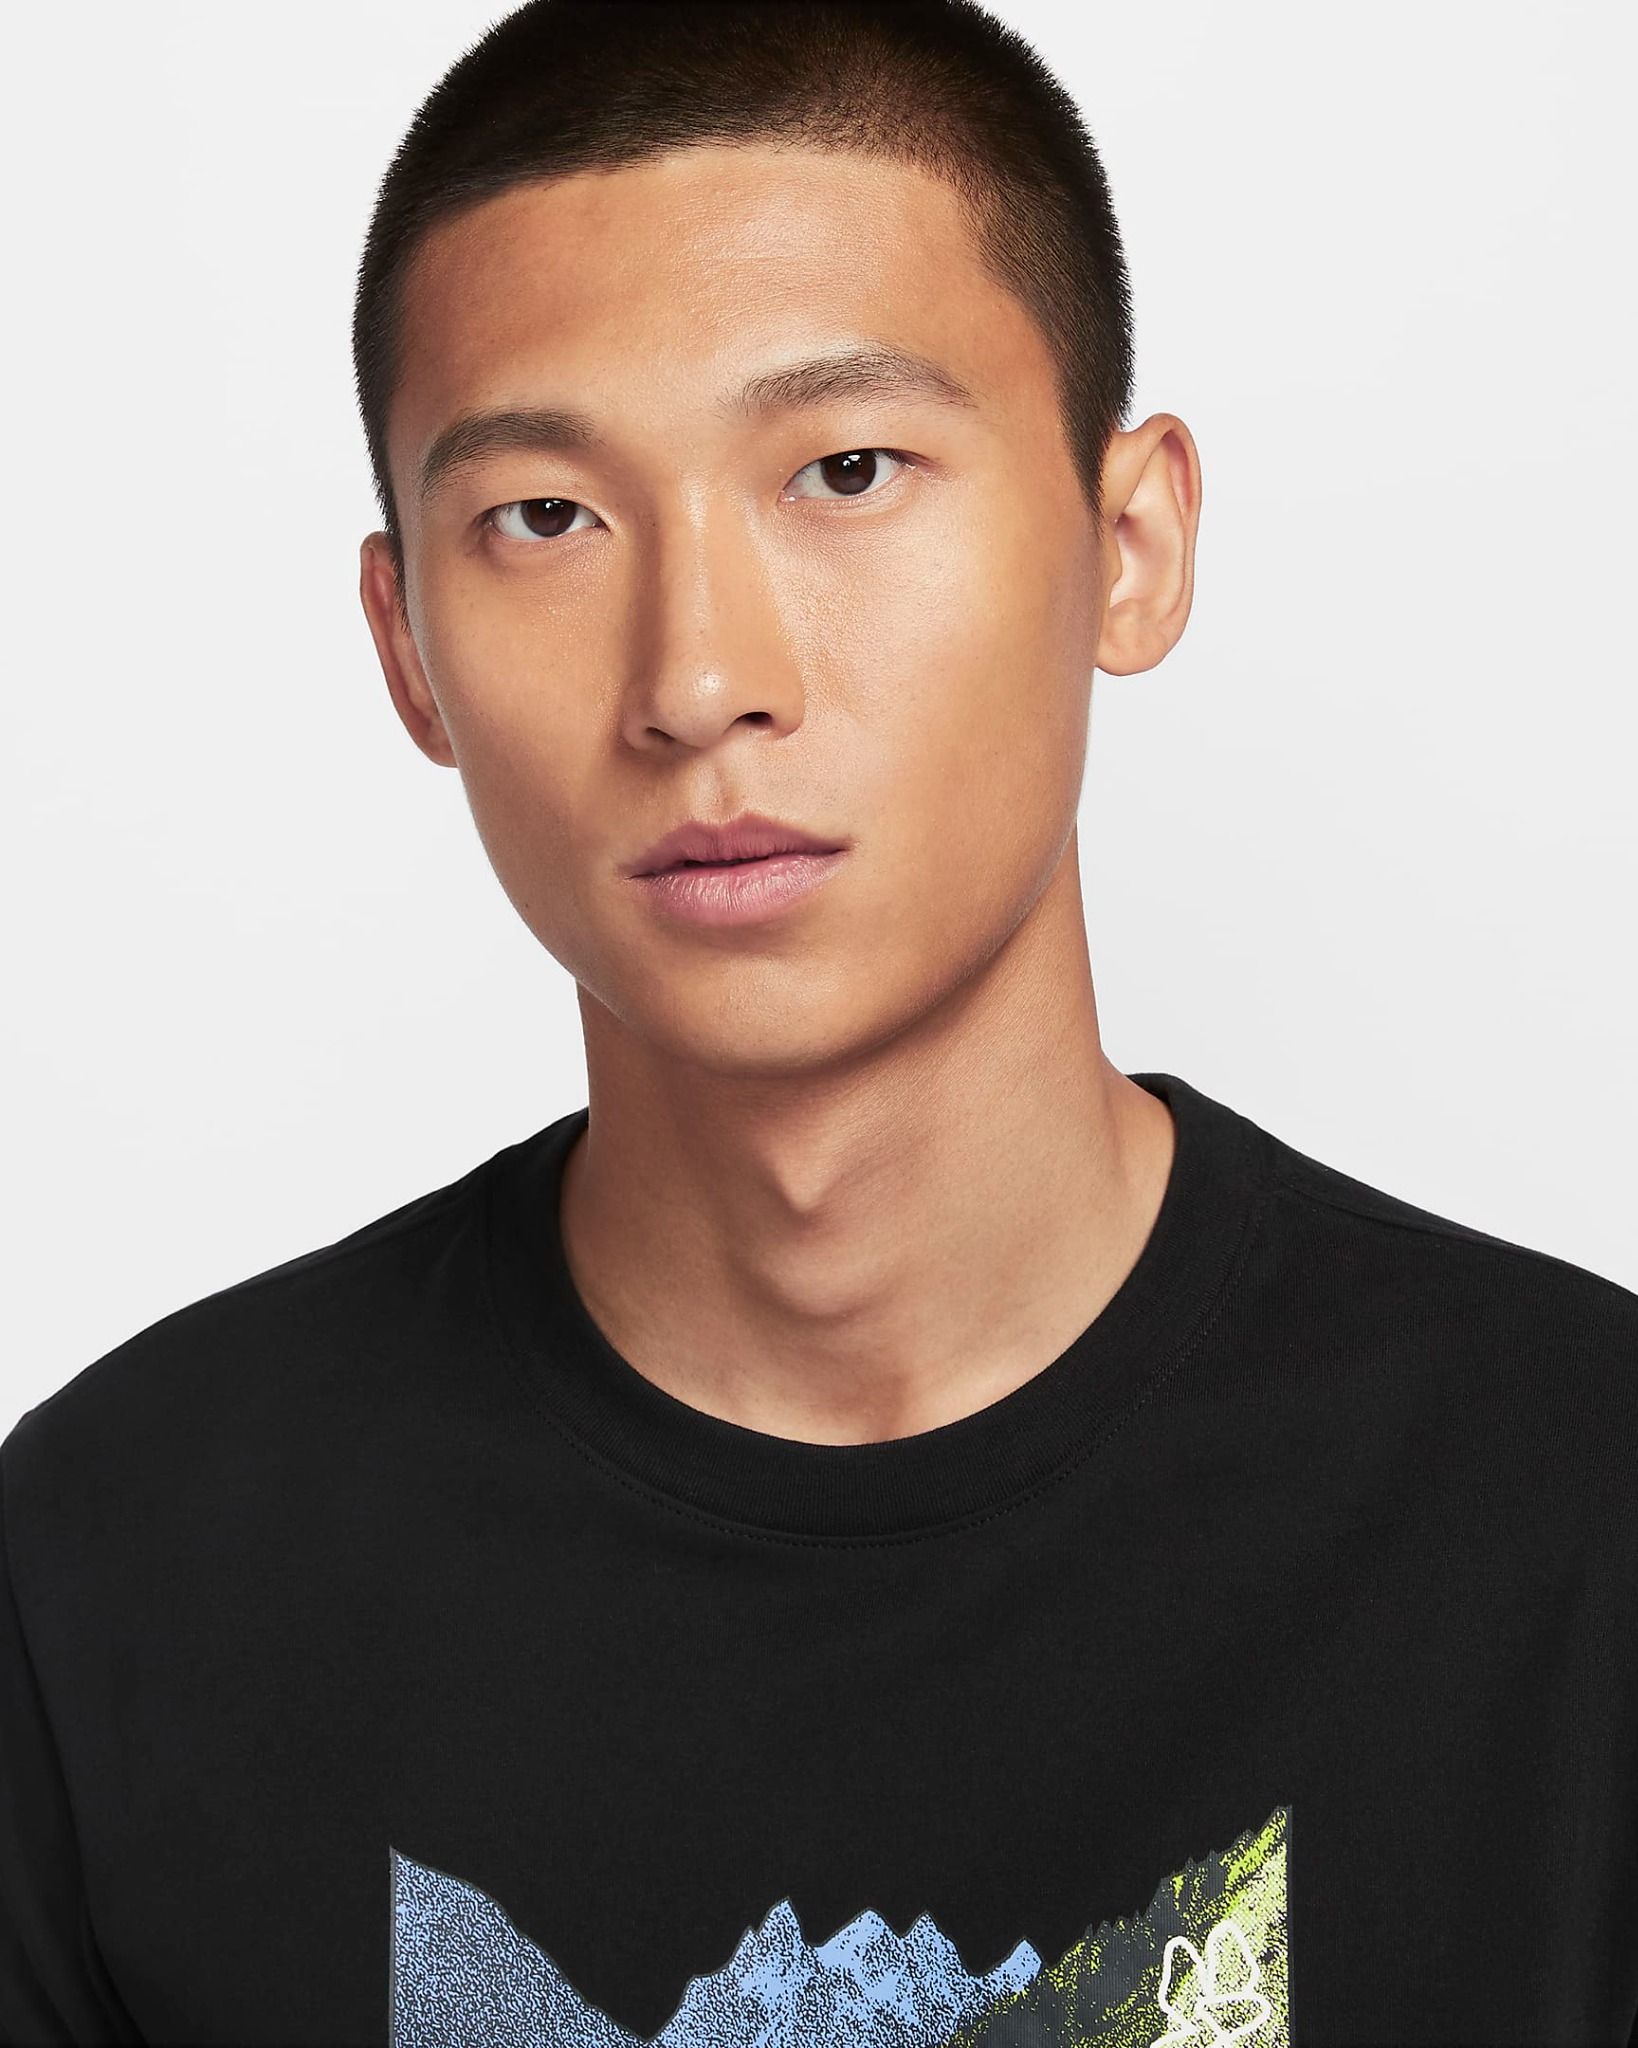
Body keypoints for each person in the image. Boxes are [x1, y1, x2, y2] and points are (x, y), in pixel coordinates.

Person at [3, 0, 1634, 2040]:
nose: (700, 678)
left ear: (1130, 546)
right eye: (543, 517)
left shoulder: (1579, 1523)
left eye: (847, 470)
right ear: (407, 643)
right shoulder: (121, 1576)